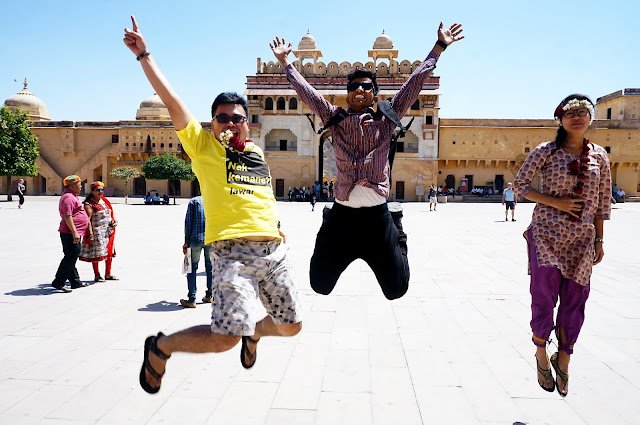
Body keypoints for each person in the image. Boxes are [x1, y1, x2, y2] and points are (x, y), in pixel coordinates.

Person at [124, 16, 302, 394]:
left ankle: (255, 334)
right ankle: (161, 346)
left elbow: (259, 194)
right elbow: (172, 101)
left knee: (291, 326)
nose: (229, 124)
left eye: (236, 119)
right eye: (221, 118)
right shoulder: (203, 147)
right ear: (212, 123)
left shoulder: (256, 152)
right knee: (225, 338)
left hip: (273, 249)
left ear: (247, 125)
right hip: (232, 252)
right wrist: (145, 55)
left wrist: (276, 224)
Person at [271, 22, 463, 300]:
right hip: (342, 219)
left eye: (366, 87)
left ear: (375, 94)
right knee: (319, 284)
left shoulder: (386, 120)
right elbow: (308, 94)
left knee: (397, 290)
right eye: (354, 87)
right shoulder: (335, 120)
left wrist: (439, 48)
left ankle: (398, 229)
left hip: (377, 220)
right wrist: (286, 62)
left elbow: (414, 84)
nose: (359, 91)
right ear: (347, 94)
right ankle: (327, 224)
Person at [513, 94, 611, 397]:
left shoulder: (600, 157)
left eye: (583, 112)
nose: (577, 117)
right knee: (543, 294)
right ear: (560, 119)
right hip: (546, 234)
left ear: (591, 118)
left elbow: (602, 201)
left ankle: (564, 357)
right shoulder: (546, 151)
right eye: (571, 113)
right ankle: (541, 350)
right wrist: (557, 202)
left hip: (581, 240)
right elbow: (520, 186)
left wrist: (599, 238)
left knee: (575, 299)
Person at [51, 175, 90, 292]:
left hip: (73, 232)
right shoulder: (68, 197)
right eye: (79, 184)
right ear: (72, 185)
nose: (81, 186)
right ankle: (58, 282)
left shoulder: (72, 196)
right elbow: (67, 216)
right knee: (70, 257)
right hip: (70, 233)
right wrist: (75, 232)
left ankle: (75, 281)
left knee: (71, 257)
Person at [79, 181, 118, 282]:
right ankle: (97, 275)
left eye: (102, 190)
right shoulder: (89, 204)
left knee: (109, 253)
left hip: (108, 231)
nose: (100, 192)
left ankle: (108, 274)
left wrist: (114, 221)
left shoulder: (104, 201)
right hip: (97, 232)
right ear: (92, 191)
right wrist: (90, 233)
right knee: (96, 254)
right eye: (98, 190)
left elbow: (110, 214)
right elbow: (87, 220)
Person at [180, 196, 213, 308]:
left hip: (195, 239)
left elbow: (188, 223)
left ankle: (192, 299)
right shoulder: (213, 200)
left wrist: (186, 242)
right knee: (210, 268)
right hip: (211, 239)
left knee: (192, 268)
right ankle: (210, 295)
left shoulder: (194, 201)